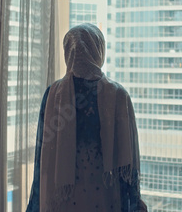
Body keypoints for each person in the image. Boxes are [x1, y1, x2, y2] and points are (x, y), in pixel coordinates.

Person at [26, 24, 147, 212]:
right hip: (107, 199)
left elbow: (41, 156)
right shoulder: (118, 95)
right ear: (99, 50)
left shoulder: (53, 94)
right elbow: (128, 164)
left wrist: (34, 206)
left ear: (69, 51)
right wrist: (134, 202)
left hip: (62, 202)